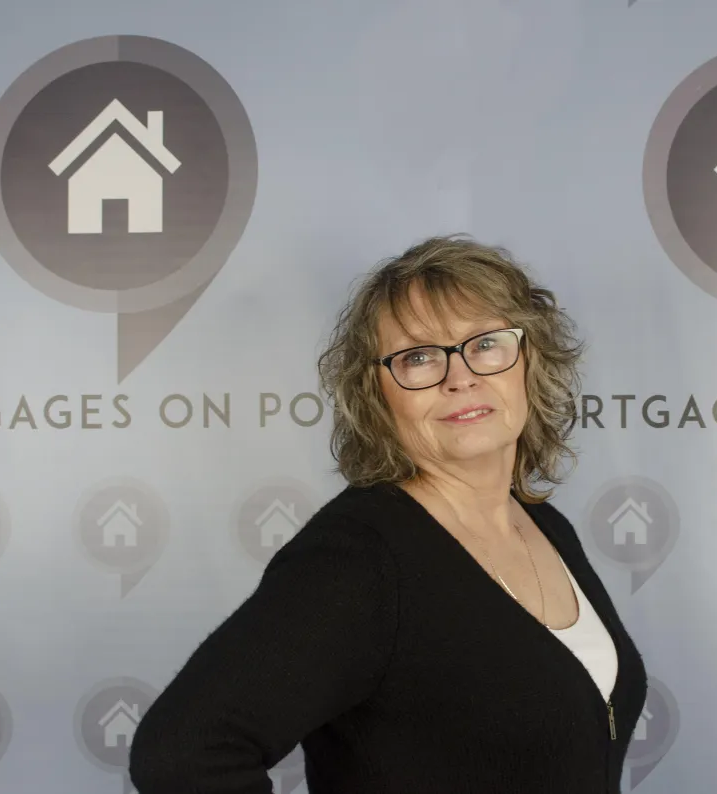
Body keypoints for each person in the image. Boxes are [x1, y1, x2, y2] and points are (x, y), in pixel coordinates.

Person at [127, 235, 649, 793]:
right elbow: (180, 754)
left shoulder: (543, 525)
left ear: (529, 360)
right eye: (418, 357)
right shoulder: (359, 559)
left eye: (485, 344)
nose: (460, 377)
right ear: (376, 395)